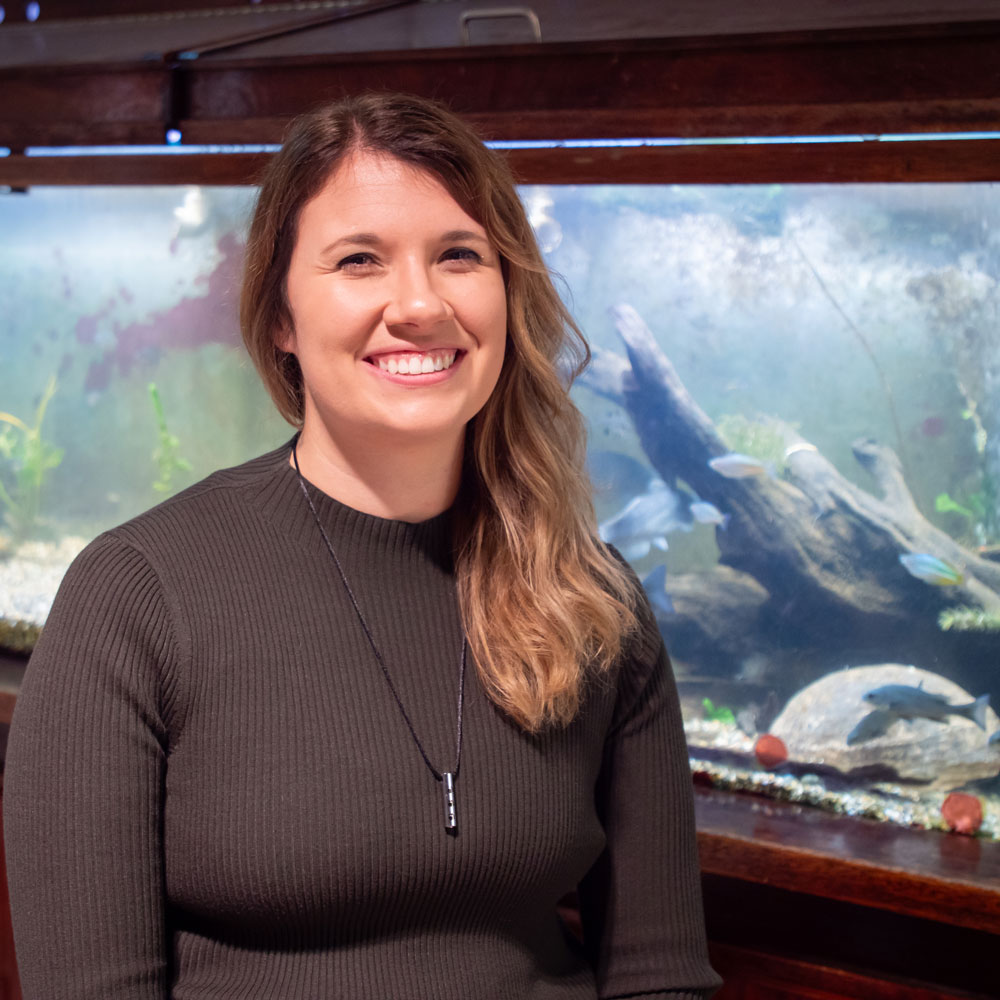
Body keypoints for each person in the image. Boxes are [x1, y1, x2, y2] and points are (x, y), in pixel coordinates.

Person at [4, 93, 722, 999]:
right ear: (280, 319)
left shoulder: (590, 595)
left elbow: (661, 976)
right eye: (358, 262)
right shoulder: (135, 595)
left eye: (459, 256)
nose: (419, 304)